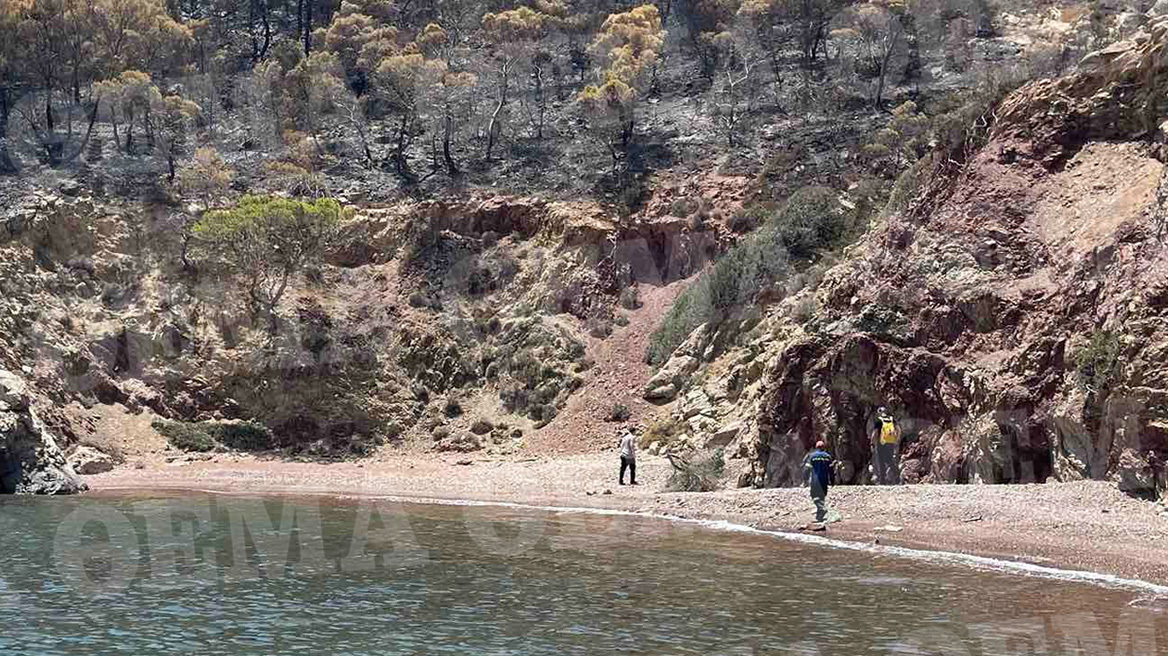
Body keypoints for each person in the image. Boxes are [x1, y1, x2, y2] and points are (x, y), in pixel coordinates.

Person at [802, 441, 834, 523]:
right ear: (824, 447)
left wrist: (805, 480)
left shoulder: (812, 456)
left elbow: (806, 469)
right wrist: (832, 481)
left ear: (816, 447)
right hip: (824, 480)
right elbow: (831, 471)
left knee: (814, 496)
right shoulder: (828, 457)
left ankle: (821, 509)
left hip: (815, 480)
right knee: (822, 497)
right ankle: (819, 517)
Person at [872, 406, 901, 485]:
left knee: (881, 462)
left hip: (881, 443)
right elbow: (898, 429)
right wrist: (896, 439)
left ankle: (882, 481)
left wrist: (872, 442)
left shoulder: (879, 421)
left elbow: (875, 433)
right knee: (890, 460)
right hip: (890, 443)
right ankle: (897, 477)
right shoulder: (892, 420)